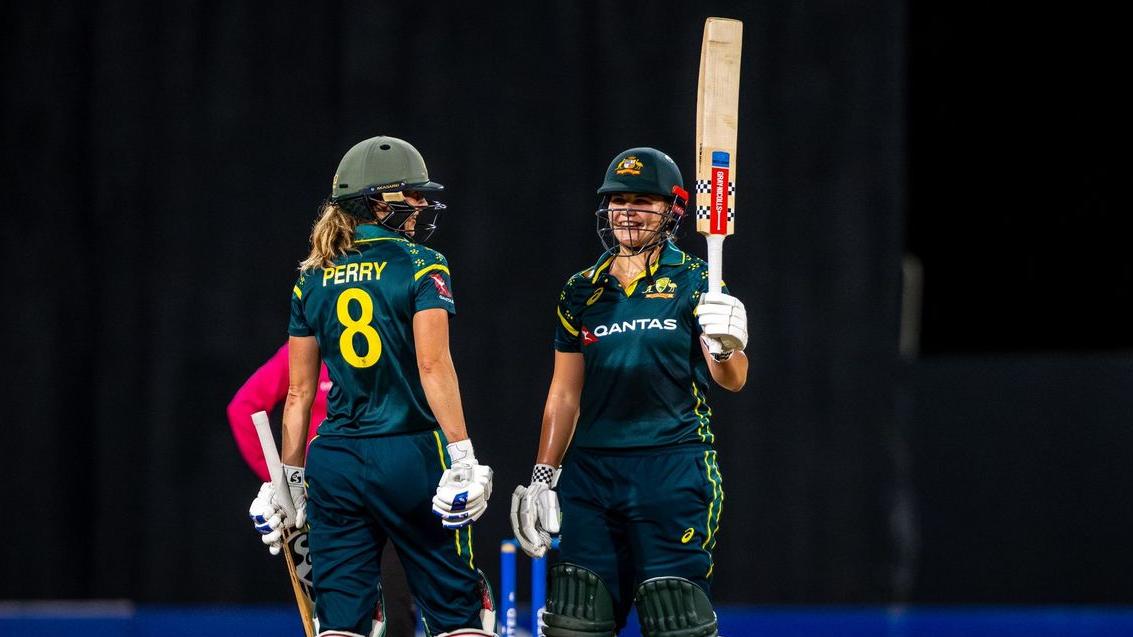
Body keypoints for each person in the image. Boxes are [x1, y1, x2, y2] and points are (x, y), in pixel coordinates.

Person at [248, 135, 497, 637]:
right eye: (413, 194)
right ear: (377, 200)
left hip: (335, 461)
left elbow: (298, 394)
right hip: (410, 453)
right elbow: (433, 365)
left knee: (341, 624)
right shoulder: (423, 263)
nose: (422, 204)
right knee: (459, 616)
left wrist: (288, 479)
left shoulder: (311, 276)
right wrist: (463, 453)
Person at [509, 148, 749, 636]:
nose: (626, 212)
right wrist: (542, 476)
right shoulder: (581, 289)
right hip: (592, 476)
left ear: (672, 210)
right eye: (618, 201)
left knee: (674, 615)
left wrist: (726, 346)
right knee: (575, 619)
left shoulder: (698, 281)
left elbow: (733, 379)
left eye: (642, 201)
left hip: (672, 467)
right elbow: (564, 393)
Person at [230, 342, 417, 636]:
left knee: (396, 612)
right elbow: (243, 407)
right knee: (341, 615)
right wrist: (283, 484)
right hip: (329, 501)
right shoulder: (305, 349)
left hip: (387, 493)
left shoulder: (382, 343)